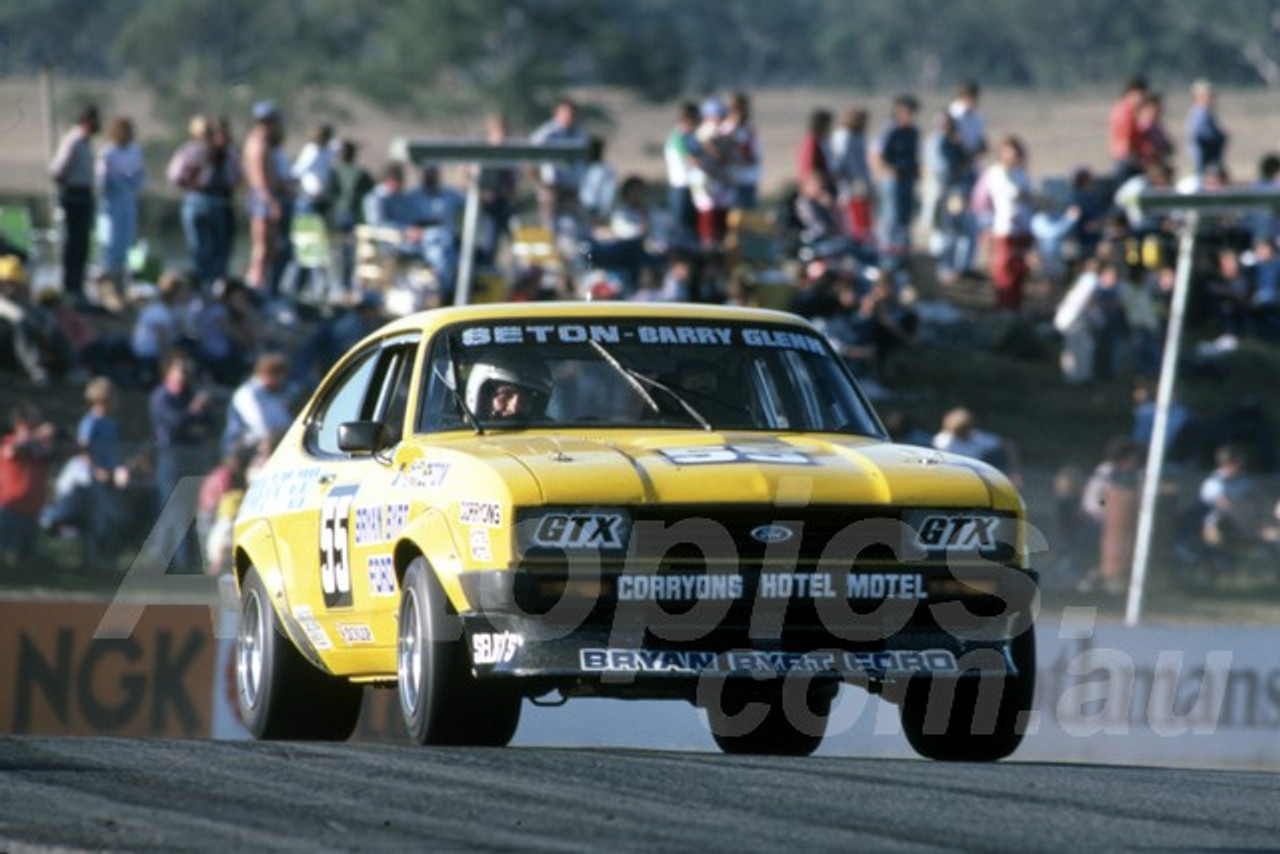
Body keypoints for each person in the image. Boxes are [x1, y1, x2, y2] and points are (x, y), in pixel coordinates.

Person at [148, 352, 215, 572]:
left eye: (187, 371)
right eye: (180, 370)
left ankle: (189, 564)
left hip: (193, 459)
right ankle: (167, 563)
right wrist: (193, 412)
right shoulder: (161, 396)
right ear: (168, 371)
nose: (185, 375)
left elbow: (207, 425)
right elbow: (173, 425)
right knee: (173, 509)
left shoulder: (190, 394)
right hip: (171, 460)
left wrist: (193, 419)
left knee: (191, 511)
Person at [168, 114, 238, 290]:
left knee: (198, 249)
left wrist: (189, 186)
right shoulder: (222, 153)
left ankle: (200, 287)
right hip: (217, 202)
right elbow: (234, 178)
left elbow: (175, 176)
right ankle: (214, 287)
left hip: (193, 201)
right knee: (217, 249)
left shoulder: (186, 150)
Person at [49, 104, 101, 303]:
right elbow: (58, 170)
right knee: (73, 243)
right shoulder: (74, 141)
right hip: (74, 196)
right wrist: (67, 189)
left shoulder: (86, 143)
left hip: (84, 195)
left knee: (82, 244)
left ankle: (77, 286)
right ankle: (70, 286)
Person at [975, 135, 1033, 312]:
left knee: (1020, 268)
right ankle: (1003, 304)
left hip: (1022, 226)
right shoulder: (997, 173)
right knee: (1004, 268)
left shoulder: (1020, 173)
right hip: (1004, 227)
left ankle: (1015, 304)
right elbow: (1013, 193)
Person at [0, 402, 56, 568]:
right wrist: (36, 435)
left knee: (26, 565)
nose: (36, 427)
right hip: (8, 512)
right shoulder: (8, 442)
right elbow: (12, 451)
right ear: (20, 423)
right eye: (32, 423)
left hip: (33, 514)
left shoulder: (40, 449)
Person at [241, 100, 288, 293]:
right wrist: (272, 202)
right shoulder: (259, 144)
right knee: (262, 247)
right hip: (262, 198)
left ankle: (262, 285)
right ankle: (255, 286)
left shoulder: (261, 141)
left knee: (269, 248)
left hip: (262, 197)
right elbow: (261, 179)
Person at [96, 116, 145, 294]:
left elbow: (139, 174)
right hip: (110, 202)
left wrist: (131, 182)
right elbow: (102, 179)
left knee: (128, 241)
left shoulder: (135, 151)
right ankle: (108, 279)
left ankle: (126, 279)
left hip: (128, 200)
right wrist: (116, 182)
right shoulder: (107, 153)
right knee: (109, 242)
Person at [872, 95, 920, 265]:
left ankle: (903, 254)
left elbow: (915, 154)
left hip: (908, 178)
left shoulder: (913, 131)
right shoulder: (889, 130)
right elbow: (877, 155)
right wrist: (888, 171)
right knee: (890, 217)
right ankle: (888, 257)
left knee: (905, 218)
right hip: (893, 180)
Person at [530, 97, 586, 232]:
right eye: (566, 114)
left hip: (571, 190)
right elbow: (528, 159)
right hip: (551, 191)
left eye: (573, 114)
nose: (570, 118)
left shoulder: (580, 134)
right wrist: (540, 184)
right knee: (549, 228)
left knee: (572, 229)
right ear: (557, 114)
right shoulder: (547, 134)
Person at [222, 351, 293, 455]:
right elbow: (260, 427)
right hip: (241, 449)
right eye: (279, 377)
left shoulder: (272, 393)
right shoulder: (247, 393)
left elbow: (283, 421)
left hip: (268, 441)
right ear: (268, 373)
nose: (282, 381)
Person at [328, 138, 375, 292]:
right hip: (344, 217)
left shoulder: (352, 173)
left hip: (346, 217)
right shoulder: (340, 172)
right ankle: (340, 287)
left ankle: (344, 287)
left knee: (345, 253)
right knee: (342, 254)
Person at [465, 352, 553, 422]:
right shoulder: (458, 438)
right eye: (506, 394)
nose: (515, 407)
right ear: (483, 396)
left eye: (526, 398)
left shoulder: (554, 438)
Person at [1186, 79, 1229, 178]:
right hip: (1204, 160)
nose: (1213, 99)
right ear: (1198, 97)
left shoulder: (1208, 114)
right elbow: (1200, 134)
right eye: (1209, 96)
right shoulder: (1199, 113)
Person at [291, 123, 335, 218]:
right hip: (310, 197)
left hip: (324, 197)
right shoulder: (311, 152)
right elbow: (297, 171)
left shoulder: (328, 150)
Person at [1109, 77, 1147, 181]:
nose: (1143, 99)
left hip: (1122, 158)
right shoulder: (1127, 111)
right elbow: (1128, 137)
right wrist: (1136, 160)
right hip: (1128, 161)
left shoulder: (1119, 107)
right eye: (1141, 94)